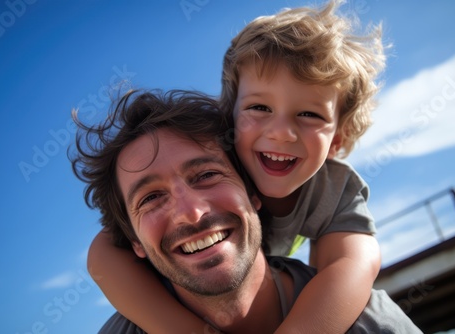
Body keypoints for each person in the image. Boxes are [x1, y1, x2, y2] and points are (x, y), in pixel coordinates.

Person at [86, 1, 388, 332]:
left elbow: (352, 263)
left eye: (310, 114)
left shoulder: (333, 190)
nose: (281, 133)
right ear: (230, 117)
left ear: (336, 142)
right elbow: (103, 258)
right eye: (260, 107)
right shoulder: (217, 154)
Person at [71, 89, 421, 333]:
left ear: (255, 193)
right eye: (150, 198)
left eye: (207, 175)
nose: (190, 213)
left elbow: (356, 260)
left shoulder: (371, 323)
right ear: (133, 240)